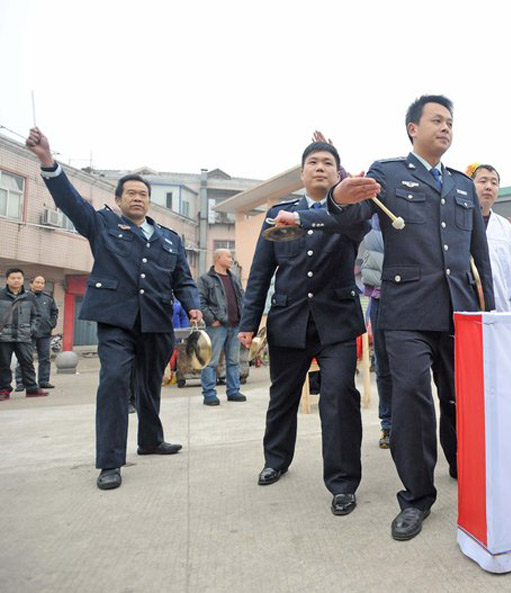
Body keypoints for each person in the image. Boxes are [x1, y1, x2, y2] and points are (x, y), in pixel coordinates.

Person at [326, 95, 495, 540]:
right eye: (436, 120)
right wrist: (339, 198)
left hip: (459, 311)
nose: (446, 127)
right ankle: (417, 497)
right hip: (406, 313)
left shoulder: (462, 186)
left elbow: (480, 257)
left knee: (461, 398)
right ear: (412, 128)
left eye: (450, 121)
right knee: (413, 400)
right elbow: (354, 217)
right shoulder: (387, 173)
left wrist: (489, 313)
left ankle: (463, 465)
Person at [26, 128, 201, 491]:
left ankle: (150, 440)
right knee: (116, 381)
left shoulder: (170, 239)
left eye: (143, 194)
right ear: (118, 199)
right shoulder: (102, 224)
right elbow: (71, 203)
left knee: (150, 383)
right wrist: (47, 161)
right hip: (116, 320)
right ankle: (110, 461)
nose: (137, 198)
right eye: (131, 193)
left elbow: (183, 279)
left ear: (149, 202)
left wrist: (193, 306)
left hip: (156, 320)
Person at [238, 141, 370, 517]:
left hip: (336, 324)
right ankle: (276, 460)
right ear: (302, 173)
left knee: (339, 397)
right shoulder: (278, 214)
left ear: (337, 172)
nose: (320, 167)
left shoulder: (349, 213)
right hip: (289, 320)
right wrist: (249, 322)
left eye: (328, 162)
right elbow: (261, 271)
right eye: (313, 162)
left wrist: (348, 186)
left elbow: (356, 220)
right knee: (282, 396)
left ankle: (343, 483)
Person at [471, 164, 511, 312]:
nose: (488, 187)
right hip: (468, 310)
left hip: (502, 311)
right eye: (483, 181)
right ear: (470, 185)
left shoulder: (506, 228)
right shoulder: (459, 222)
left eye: (494, 183)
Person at [198, 248, 247, 406]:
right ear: (218, 258)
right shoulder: (205, 279)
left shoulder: (234, 278)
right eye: (228, 257)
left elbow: (242, 299)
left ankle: (233, 391)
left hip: (235, 325)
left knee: (233, 361)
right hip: (217, 327)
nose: (231, 259)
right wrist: (211, 320)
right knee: (211, 361)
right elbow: (200, 301)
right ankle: (209, 394)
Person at [360, 216, 392, 449]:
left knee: (410, 367)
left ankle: (410, 423)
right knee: (383, 366)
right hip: (380, 298)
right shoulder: (368, 215)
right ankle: (388, 424)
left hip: (410, 295)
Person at [1, 269, 48, 400]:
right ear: (7, 280)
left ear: (23, 280)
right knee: (3, 364)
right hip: (4, 336)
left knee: (27, 362)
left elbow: (36, 315)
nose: (16, 280)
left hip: (24, 335)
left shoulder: (30, 296)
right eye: (13, 278)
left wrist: (31, 329)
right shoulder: (1, 295)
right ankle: (4, 390)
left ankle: (32, 388)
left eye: (19, 278)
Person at [14, 276, 58, 391]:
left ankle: (43, 381)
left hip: (45, 333)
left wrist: (51, 324)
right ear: (31, 284)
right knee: (24, 358)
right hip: (28, 334)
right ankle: (21, 382)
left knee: (45, 359)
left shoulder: (48, 299)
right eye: (37, 282)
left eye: (42, 283)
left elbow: (54, 312)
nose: (40, 285)